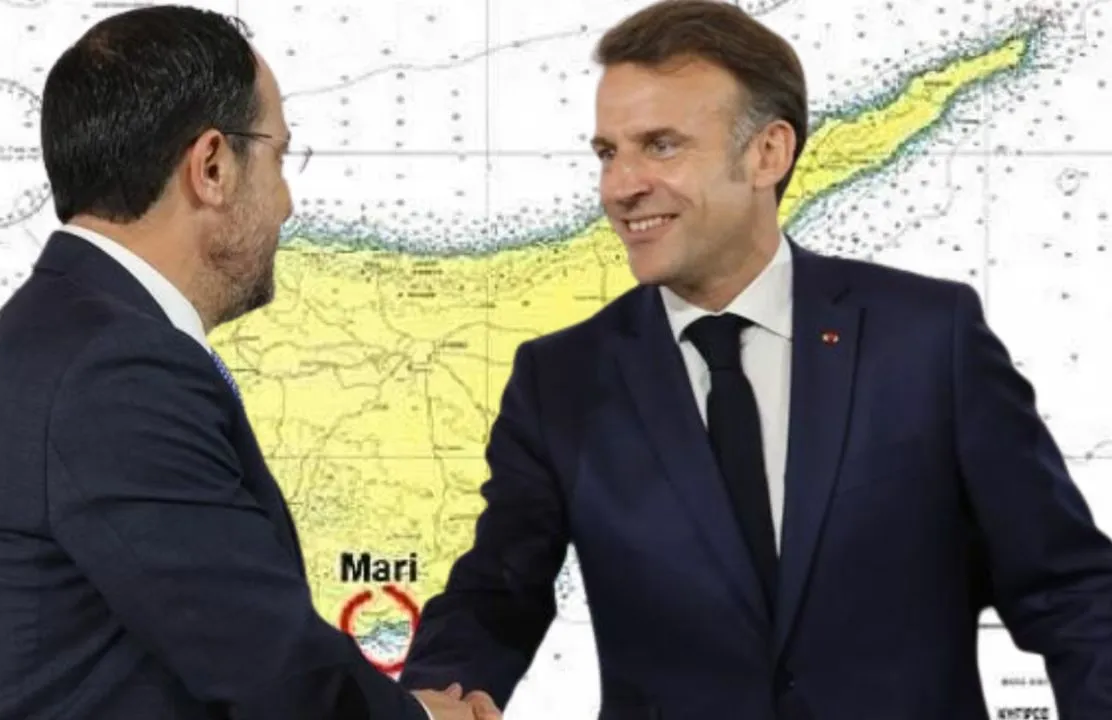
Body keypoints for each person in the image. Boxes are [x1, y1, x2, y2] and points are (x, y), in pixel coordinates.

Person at [399, 1, 1112, 717]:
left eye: (661, 145)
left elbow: (1069, 591)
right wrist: (432, 702)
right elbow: (495, 597)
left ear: (768, 153)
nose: (620, 187)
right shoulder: (561, 381)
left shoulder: (928, 340)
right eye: (608, 153)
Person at [0, 6, 490, 719]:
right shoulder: (116, 372)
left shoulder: (63, 338)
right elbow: (266, 666)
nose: (286, 203)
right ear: (211, 166)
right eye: (278, 158)